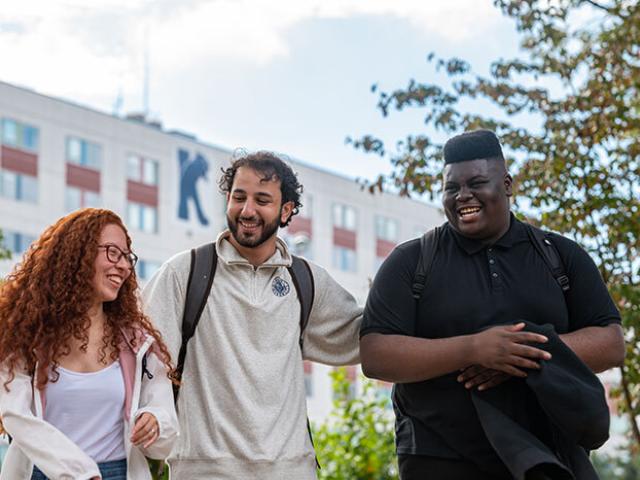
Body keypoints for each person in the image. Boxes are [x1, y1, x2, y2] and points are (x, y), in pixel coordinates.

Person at [360, 130, 625, 479]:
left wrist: (520, 353)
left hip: (550, 454)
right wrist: (473, 349)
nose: (463, 196)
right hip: (438, 457)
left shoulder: (560, 255)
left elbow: (611, 343)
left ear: (507, 184)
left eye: (477, 183)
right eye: (451, 187)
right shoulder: (411, 260)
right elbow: (376, 354)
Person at [143, 151, 362, 479]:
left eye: (262, 200)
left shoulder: (307, 281)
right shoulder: (184, 273)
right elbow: (143, 363)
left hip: (292, 471)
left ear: (286, 210)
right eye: (238, 197)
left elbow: (369, 335)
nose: (247, 210)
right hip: (205, 471)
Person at [0, 208, 178, 480]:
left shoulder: (138, 343)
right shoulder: (27, 336)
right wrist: (78, 471)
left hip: (118, 473)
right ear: (77, 256)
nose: (124, 266)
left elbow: (165, 421)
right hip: (44, 474)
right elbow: (15, 415)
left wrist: (155, 421)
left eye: (127, 257)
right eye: (112, 252)